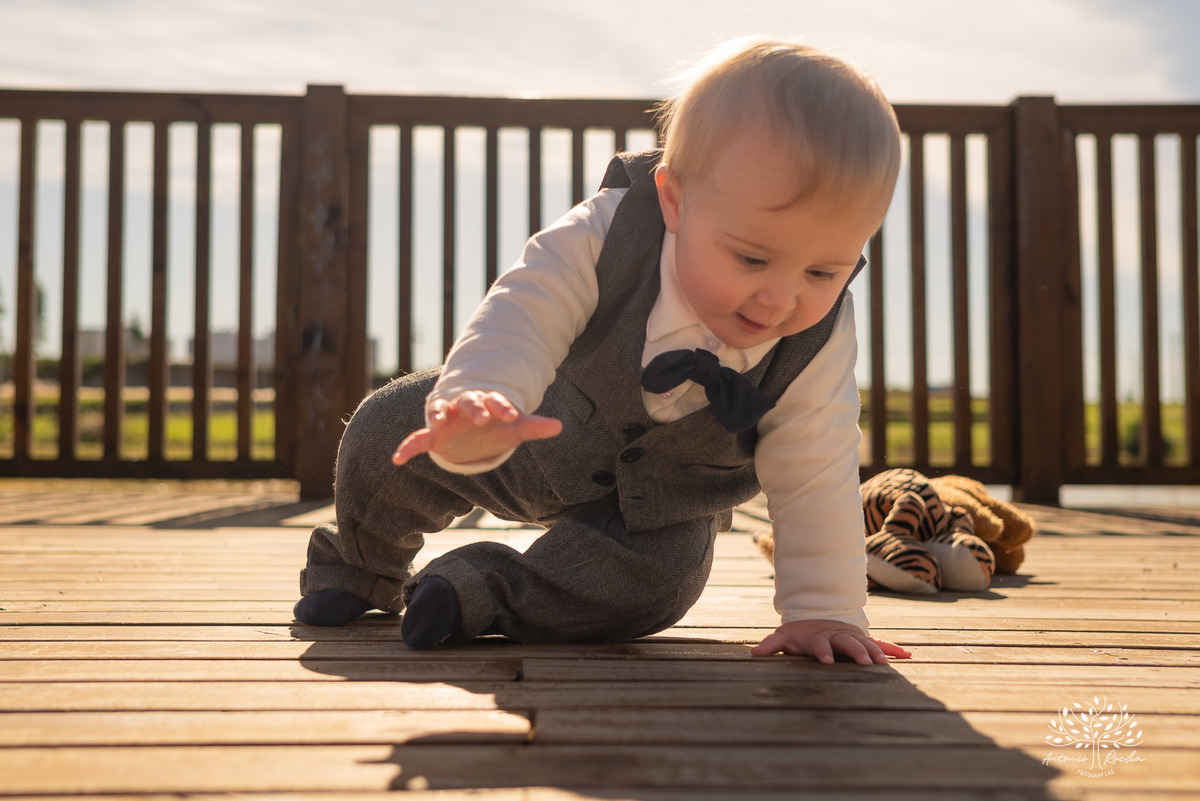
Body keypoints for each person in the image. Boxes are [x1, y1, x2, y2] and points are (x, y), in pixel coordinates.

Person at [295, 37, 912, 666]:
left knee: (660, 581)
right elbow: (522, 314)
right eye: (752, 257)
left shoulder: (818, 338)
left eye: (824, 272)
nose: (782, 299)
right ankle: (359, 567)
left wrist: (824, 607)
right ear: (675, 201)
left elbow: (815, 464)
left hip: (657, 514)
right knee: (390, 424)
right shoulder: (607, 233)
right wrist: (483, 400)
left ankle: (478, 591)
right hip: (532, 441)